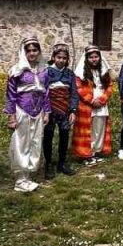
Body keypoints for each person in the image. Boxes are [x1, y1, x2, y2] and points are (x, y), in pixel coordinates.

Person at [5, 35, 50, 192]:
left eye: (35, 50)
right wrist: (11, 116)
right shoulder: (17, 71)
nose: (32, 53)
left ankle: (28, 176)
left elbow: (46, 93)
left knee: (35, 143)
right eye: (29, 50)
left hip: (38, 112)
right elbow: (10, 95)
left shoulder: (44, 71)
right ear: (24, 52)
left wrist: (47, 112)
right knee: (21, 143)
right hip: (22, 110)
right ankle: (20, 179)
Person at [73, 45, 114, 164]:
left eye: (96, 57)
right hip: (87, 106)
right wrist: (91, 100)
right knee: (88, 130)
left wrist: (102, 100)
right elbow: (79, 88)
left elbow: (110, 86)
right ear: (86, 58)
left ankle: (96, 151)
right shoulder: (81, 73)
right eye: (91, 57)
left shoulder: (104, 72)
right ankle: (86, 154)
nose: (94, 59)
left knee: (99, 128)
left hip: (101, 104)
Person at [42, 43, 76, 178]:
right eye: (59, 57)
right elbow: (43, 91)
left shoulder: (69, 74)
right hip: (50, 109)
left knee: (64, 135)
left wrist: (73, 110)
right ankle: (48, 163)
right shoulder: (47, 72)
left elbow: (74, 92)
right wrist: (45, 110)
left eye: (64, 58)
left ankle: (61, 163)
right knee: (48, 136)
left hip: (65, 109)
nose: (61, 60)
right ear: (53, 57)